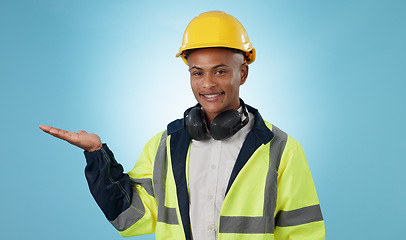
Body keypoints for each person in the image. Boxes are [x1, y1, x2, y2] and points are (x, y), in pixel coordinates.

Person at [40, 11, 325, 240]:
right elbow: (130, 219)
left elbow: (303, 233)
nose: (208, 84)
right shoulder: (165, 145)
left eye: (221, 71)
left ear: (243, 73)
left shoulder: (281, 150)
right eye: (197, 73)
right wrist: (97, 155)